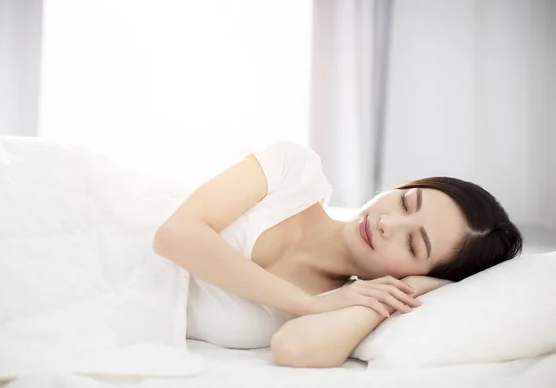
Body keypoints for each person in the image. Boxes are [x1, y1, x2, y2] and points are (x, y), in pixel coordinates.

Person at [152, 140, 523, 368]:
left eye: (412, 245)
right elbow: (175, 236)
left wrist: (406, 290)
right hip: (109, 237)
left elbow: (294, 349)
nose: (388, 224)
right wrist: (307, 304)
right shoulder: (293, 171)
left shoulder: (341, 304)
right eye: (407, 201)